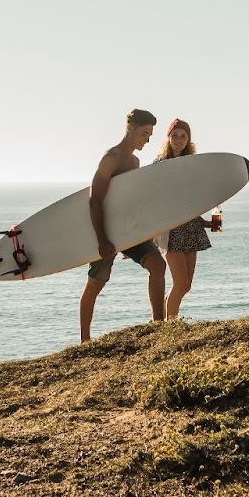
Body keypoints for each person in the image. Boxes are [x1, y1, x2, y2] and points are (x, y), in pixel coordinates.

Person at [80, 108, 167, 342]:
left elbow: (128, 202)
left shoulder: (135, 161)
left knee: (158, 265)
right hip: (105, 232)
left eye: (150, 135)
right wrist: (101, 240)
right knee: (96, 283)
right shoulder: (111, 158)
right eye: (144, 134)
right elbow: (95, 200)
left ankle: (159, 327)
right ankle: (84, 340)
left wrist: (139, 235)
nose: (147, 140)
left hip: (127, 231)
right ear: (130, 128)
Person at [156, 118, 214, 320]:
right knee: (180, 283)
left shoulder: (192, 165)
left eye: (183, 136)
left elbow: (191, 202)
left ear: (188, 139)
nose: (178, 140)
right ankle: (170, 325)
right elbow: (152, 198)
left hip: (191, 228)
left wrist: (206, 222)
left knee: (186, 285)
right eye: (174, 135)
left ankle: (166, 321)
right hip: (172, 230)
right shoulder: (160, 164)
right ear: (168, 138)